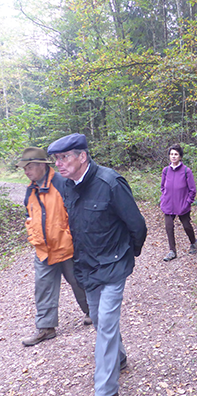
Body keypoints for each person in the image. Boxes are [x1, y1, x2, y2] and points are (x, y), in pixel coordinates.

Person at [47, 133, 147, 396]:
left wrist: (127, 254)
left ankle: (105, 390)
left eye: (64, 157)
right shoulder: (67, 185)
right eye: (56, 158)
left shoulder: (110, 182)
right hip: (87, 267)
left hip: (113, 265)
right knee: (100, 320)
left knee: (106, 326)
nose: (59, 163)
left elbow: (137, 225)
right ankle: (120, 357)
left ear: (82, 156)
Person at [16, 147, 91, 347]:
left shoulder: (62, 183)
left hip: (67, 247)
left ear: (41, 165)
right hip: (43, 249)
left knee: (78, 281)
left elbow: (77, 212)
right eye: (24, 168)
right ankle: (45, 328)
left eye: (29, 167)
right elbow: (29, 216)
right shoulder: (31, 189)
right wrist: (33, 236)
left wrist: (72, 237)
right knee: (43, 287)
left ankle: (92, 312)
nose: (26, 171)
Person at [160, 144, 197, 262]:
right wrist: (164, 198)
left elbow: (192, 190)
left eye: (176, 154)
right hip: (168, 204)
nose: (173, 156)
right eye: (171, 154)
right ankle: (172, 251)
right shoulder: (166, 170)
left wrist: (187, 202)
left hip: (182, 205)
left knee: (186, 226)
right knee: (169, 227)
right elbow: (162, 187)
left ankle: (193, 242)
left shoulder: (186, 171)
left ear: (180, 156)